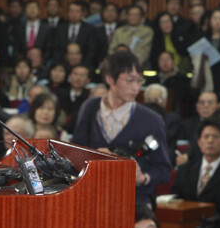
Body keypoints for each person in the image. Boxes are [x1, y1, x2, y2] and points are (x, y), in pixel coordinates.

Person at [72, 50, 171, 204]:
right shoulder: (90, 108)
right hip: (92, 196)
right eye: (130, 81)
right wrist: (93, 157)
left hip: (135, 200)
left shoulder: (152, 120)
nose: (136, 88)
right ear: (110, 79)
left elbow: (164, 170)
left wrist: (143, 178)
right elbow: (73, 153)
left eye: (139, 81)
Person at [170, 118, 220, 207]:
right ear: (199, 142)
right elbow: (174, 198)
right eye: (206, 137)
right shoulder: (185, 169)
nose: (210, 141)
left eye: (215, 137)